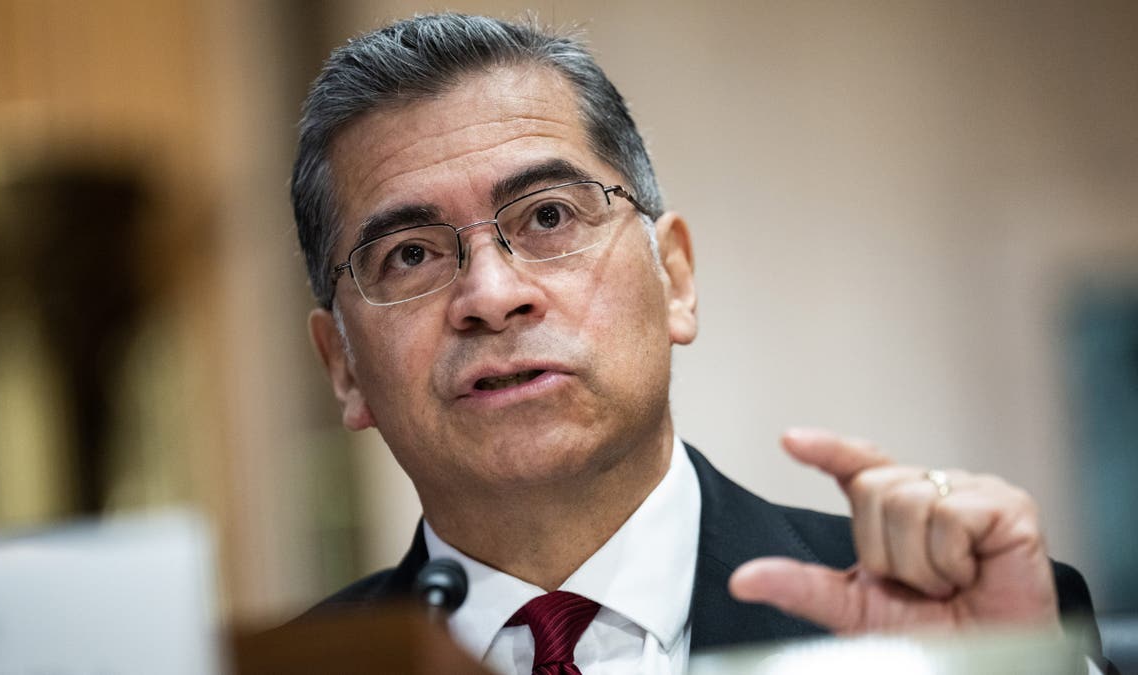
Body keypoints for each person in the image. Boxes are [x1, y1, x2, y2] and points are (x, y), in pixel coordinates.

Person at [290, 13, 1113, 674]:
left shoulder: (944, 627)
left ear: (675, 278)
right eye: (410, 255)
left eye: (549, 216)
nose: (493, 296)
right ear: (344, 368)